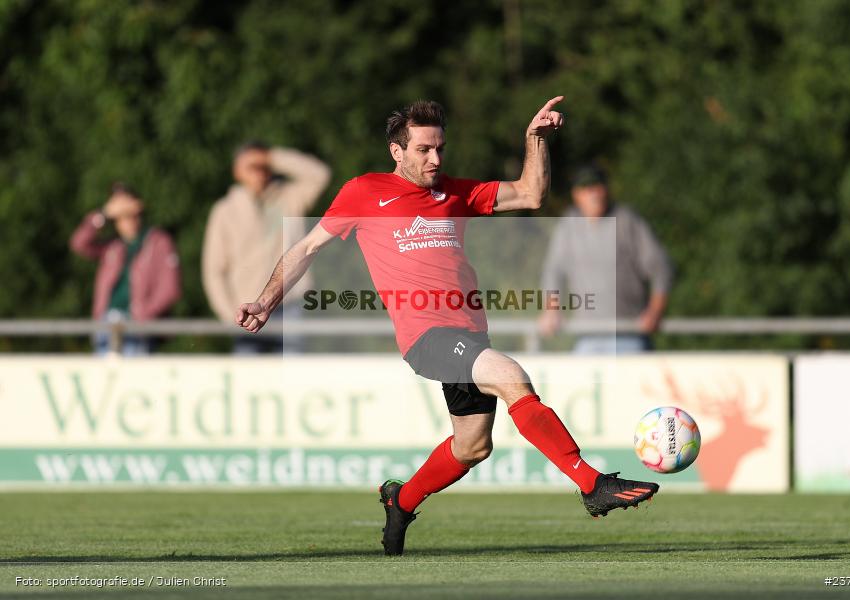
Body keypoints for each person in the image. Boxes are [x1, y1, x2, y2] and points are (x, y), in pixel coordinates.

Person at [235, 99, 659, 556]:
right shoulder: (364, 192)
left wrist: (534, 139)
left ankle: (401, 500)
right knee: (511, 376)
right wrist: (266, 300)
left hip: (470, 334)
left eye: (440, 148)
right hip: (426, 337)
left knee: (472, 447)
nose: (435, 159)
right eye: (423, 150)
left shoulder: (455, 192)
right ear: (397, 151)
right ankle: (592, 484)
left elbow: (530, 194)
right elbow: (306, 248)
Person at [202, 142, 331, 353]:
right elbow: (214, 270)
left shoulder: (289, 198)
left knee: (294, 371)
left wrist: (273, 157)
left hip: (290, 304)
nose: (259, 171)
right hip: (247, 308)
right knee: (249, 373)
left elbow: (320, 175)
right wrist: (229, 314)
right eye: (251, 166)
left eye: (262, 166)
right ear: (236, 171)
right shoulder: (224, 211)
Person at [538, 165, 674, 353]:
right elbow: (554, 271)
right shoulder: (569, 226)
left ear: (606, 189)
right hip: (587, 338)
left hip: (629, 335)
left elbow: (661, 267)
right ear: (576, 194)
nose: (593, 193)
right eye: (586, 188)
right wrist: (552, 310)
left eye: (597, 185)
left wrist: (655, 311)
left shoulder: (627, 220)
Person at [70, 183, 181, 355]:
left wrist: (143, 315)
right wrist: (103, 215)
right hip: (105, 325)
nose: (123, 213)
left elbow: (170, 289)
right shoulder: (113, 246)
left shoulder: (158, 242)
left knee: (132, 371)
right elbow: (79, 244)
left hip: (137, 328)